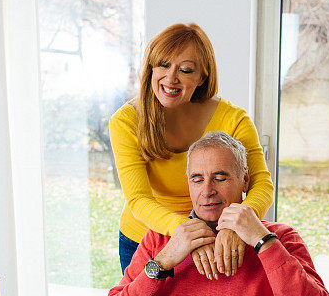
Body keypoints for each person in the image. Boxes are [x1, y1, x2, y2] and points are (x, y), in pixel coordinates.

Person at [101, 132, 329, 296]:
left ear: (245, 180)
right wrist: (161, 263)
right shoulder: (161, 240)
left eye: (220, 178)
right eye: (197, 179)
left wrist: (263, 242)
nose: (207, 191)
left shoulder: (279, 237)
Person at [109, 23, 273, 279]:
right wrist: (187, 231)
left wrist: (237, 224)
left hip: (214, 239)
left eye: (185, 70)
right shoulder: (126, 122)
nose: (170, 78)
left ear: (202, 78)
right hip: (143, 241)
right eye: (163, 65)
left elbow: (261, 183)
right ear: (151, 67)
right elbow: (139, 199)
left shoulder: (234, 119)